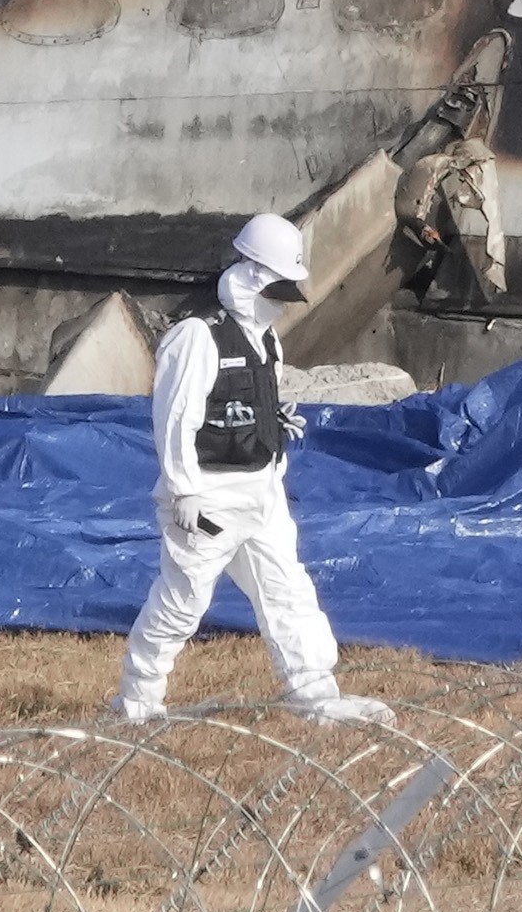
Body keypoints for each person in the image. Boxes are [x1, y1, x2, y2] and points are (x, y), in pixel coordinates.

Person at [110, 212, 391, 729]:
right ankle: (138, 702)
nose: (282, 304)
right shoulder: (198, 336)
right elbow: (174, 418)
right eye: (276, 290)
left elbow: (248, 400)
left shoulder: (267, 341)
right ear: (252, 275)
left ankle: (314, 694)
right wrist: (183, 492)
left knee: (288, 590)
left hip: (263, 490)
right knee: (182, 601)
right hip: (209, 498)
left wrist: (274, 422)